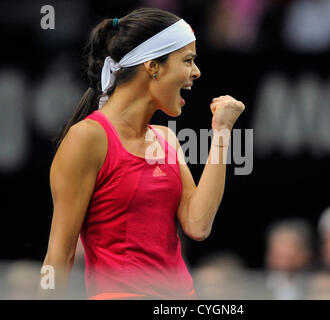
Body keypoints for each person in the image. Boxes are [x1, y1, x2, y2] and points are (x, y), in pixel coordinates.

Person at [39, 7, 245, 300]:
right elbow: (59, 255)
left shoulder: (166, 138)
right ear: (153, 66)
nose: (196, 72)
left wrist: (222, 132)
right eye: (188, 60)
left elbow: (198, 224)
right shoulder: (88, 138)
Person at [263, 218, 315, 299]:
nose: (282, 265)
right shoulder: (254, 285)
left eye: (289, 258)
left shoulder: (317, 287)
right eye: (278, 256)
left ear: (305, 254)